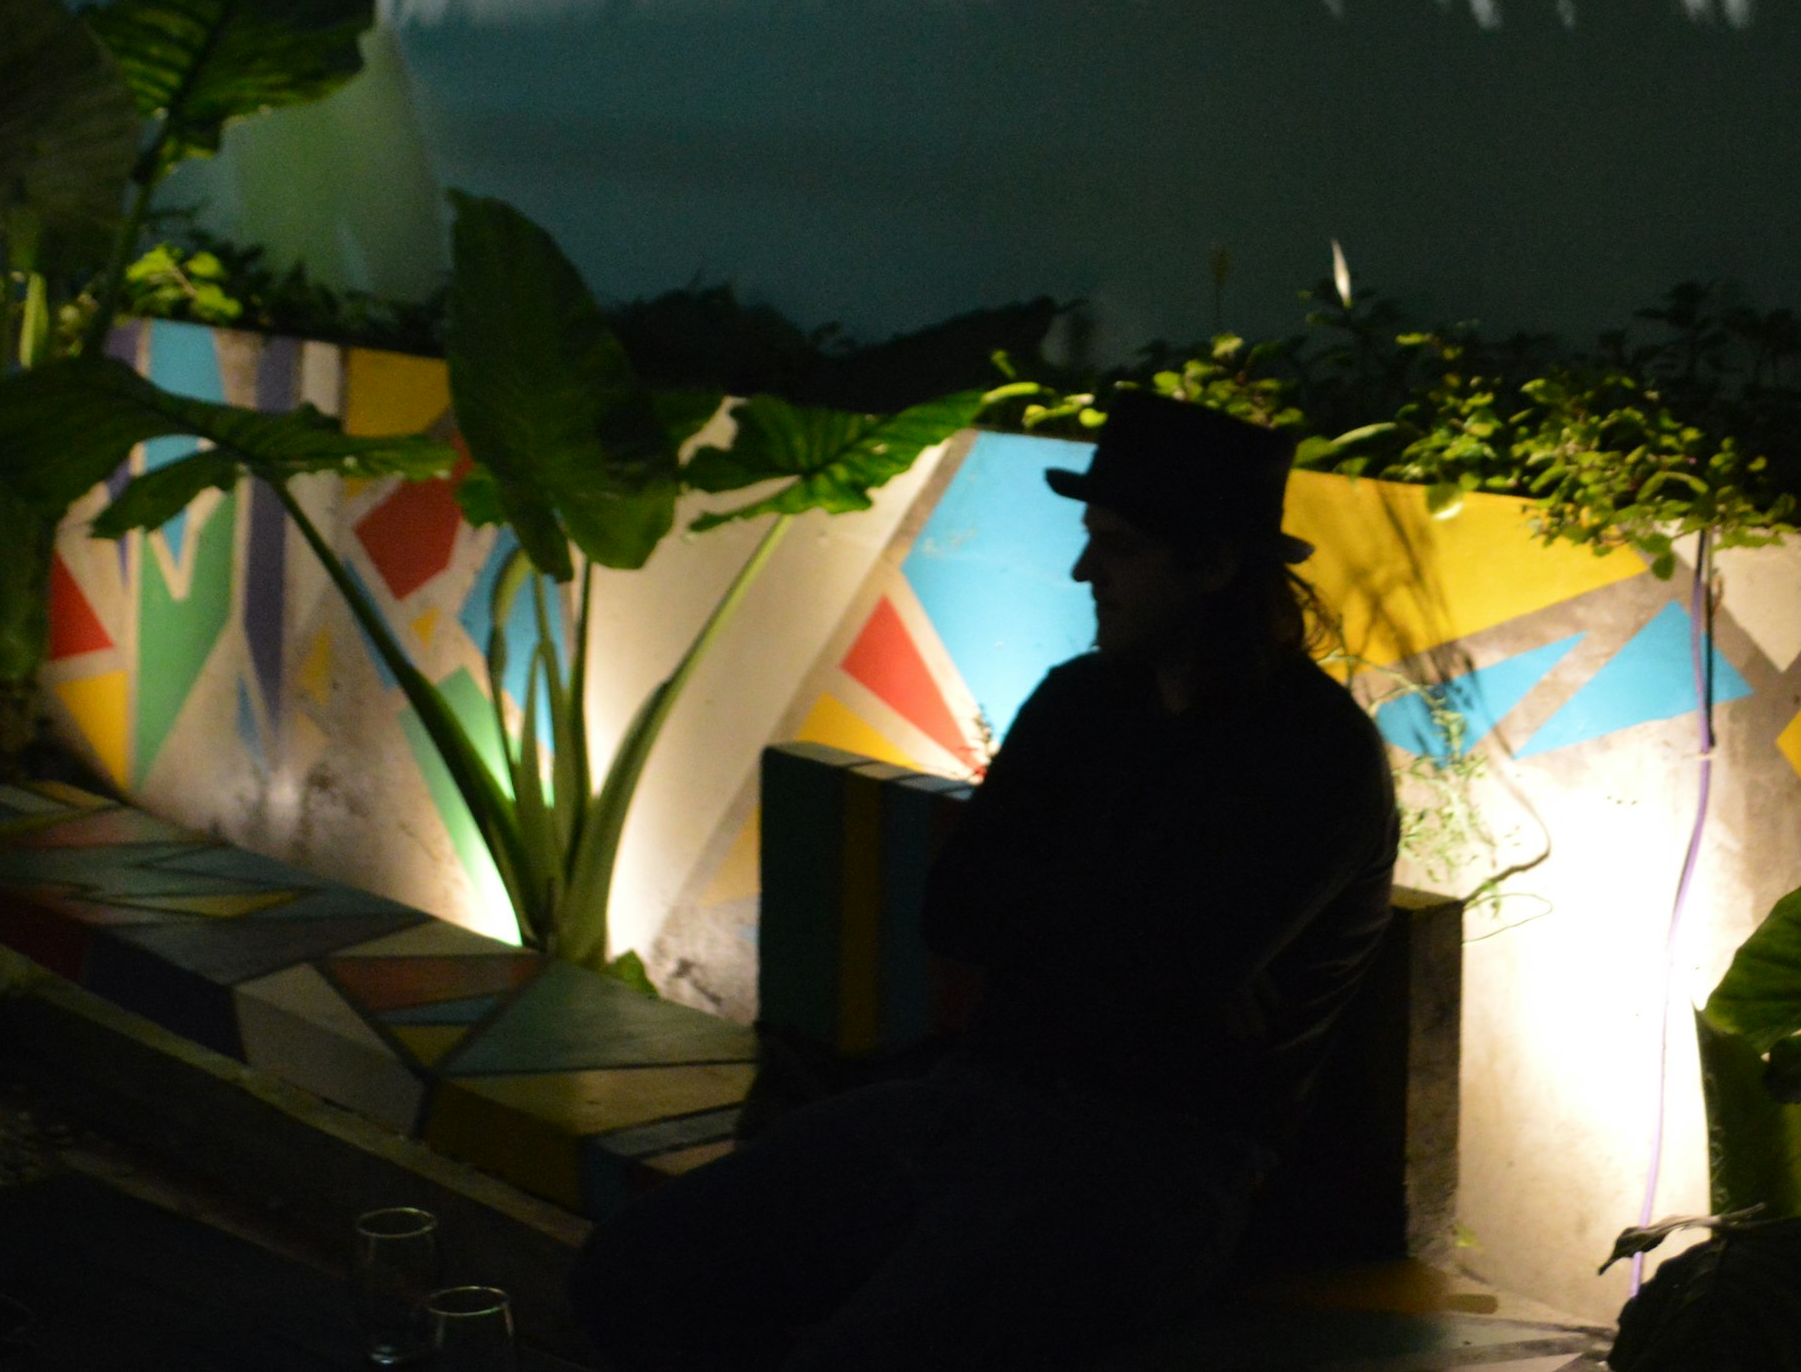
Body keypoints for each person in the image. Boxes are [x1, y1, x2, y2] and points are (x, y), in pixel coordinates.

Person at [572, 394, 1402, 1372]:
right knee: (627, 1270)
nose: (1084, 571)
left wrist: (1072, 920)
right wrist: (1137, 939)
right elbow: (957, 910)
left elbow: (1159, 982)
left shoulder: (1313, 758)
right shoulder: (1083, 700)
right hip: (971, 1101)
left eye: (1119, 546)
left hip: (1153, 1165)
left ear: (1214, 567)